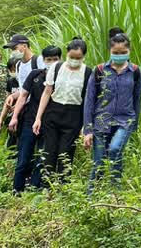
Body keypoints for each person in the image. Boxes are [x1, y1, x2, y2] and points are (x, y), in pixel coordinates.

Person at [84, 31, 141, 193]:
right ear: (109, 51)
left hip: (125, 120)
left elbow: (137, 99)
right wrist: (88, 130)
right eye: (115, 53)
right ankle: (91, 196)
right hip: (101, 121)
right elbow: (89, 101)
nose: (119, 56)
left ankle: (115, 193)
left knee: (116, 149)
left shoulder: (135, 72)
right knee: (99, 161)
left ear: (129, 51)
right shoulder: (100, 70)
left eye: (123, 53)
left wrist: (134, 125)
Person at [34, 40, 93, 185]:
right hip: (53, 113)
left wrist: (86, 126)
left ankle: (63, 190)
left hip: (73, 116)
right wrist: (38, 118)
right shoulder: (56, 67)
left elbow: (87, 101)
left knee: (65, 153)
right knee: (49, 152)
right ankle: (46, 188)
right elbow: (47, 92)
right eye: (72, 56)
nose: (74, 60)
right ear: (67, 54)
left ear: (84, 56)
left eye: (78, 58)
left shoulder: (88, 72)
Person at [9, 48, 60, 193]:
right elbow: (23, 96)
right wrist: (14, 117)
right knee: (23, 157)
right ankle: (17, 189)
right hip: (29, 122)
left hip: (50, 124)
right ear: (43, 60)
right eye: (48, 60)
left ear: (60, 60)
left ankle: (34, 190)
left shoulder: (62, 78)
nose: (51, 63)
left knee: (42, 159)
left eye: (55, 59)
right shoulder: (35, 75)